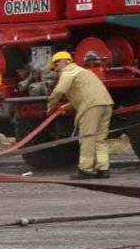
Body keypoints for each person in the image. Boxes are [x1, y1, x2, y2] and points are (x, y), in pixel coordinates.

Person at [46, 51, 114, 179]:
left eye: (55, 65)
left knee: (87, 138)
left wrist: (50, 105)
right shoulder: (83, 72)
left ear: (63, 61)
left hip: (91, 106)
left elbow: (59, 90)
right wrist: (64, 107)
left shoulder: (68, 71)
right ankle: (103, 169)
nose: (55, 69)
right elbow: (83, 93)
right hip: (105, 104)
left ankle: (85, 169)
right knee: (100, 139)